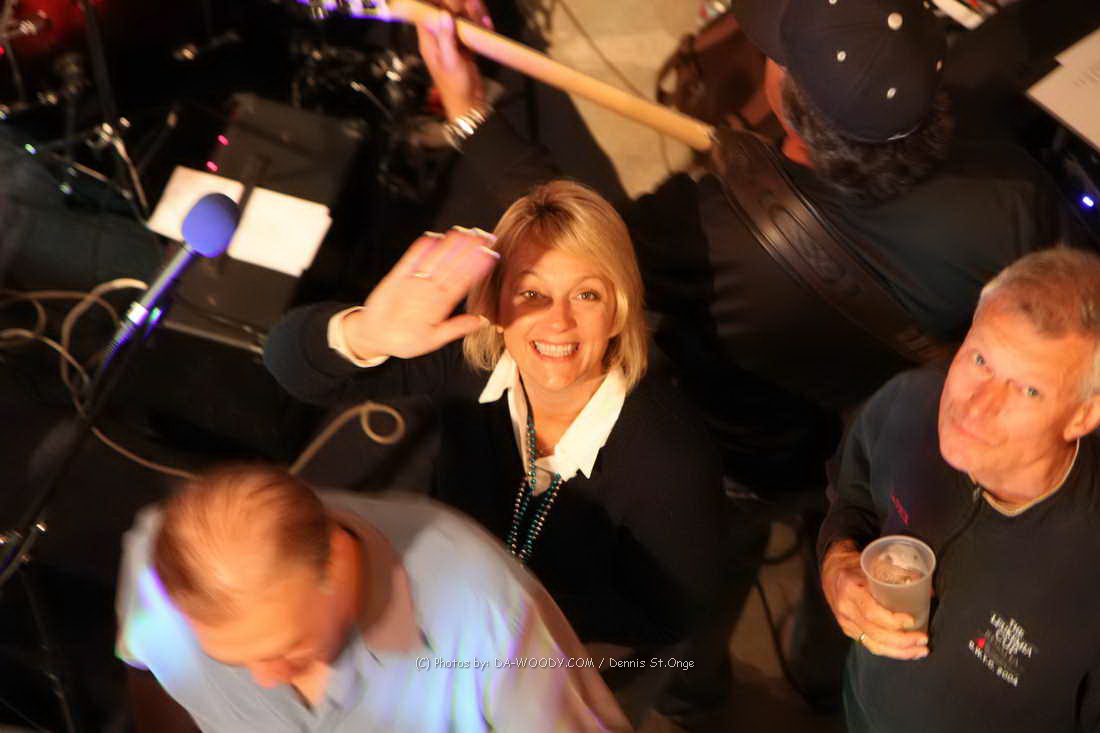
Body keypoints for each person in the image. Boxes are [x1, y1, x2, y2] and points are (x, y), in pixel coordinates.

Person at [414, 0, 1093, 490]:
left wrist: (469, 110)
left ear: (789, 106)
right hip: (869, 433)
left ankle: (715, 622)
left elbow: (579, 237)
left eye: (777, 55)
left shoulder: (706, 229)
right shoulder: (1014, 189)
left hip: (757, 447)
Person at [262, 183, 726, 679]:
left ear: (619, 312)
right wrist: (367, 333)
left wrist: (507, 621)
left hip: (568, 659)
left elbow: (669, 615)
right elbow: (289, 364)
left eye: (586, 294)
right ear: (496, 305)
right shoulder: (468, 362)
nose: (558, 321)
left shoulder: (672, 458)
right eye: (532, 293)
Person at [116, 463, 630, 732]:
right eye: (230, 658)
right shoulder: (154, 566)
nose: (265, 678)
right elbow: (149, 672)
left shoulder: (485, 612)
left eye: (288, 650)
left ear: (337, 562)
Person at [818, 248, 1100, 732]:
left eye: (1028, 390)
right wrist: (837, 562)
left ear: (1083, 415)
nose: (976, 408)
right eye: (981, 359)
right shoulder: (908, 404)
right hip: (860, 703)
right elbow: (851, 492)